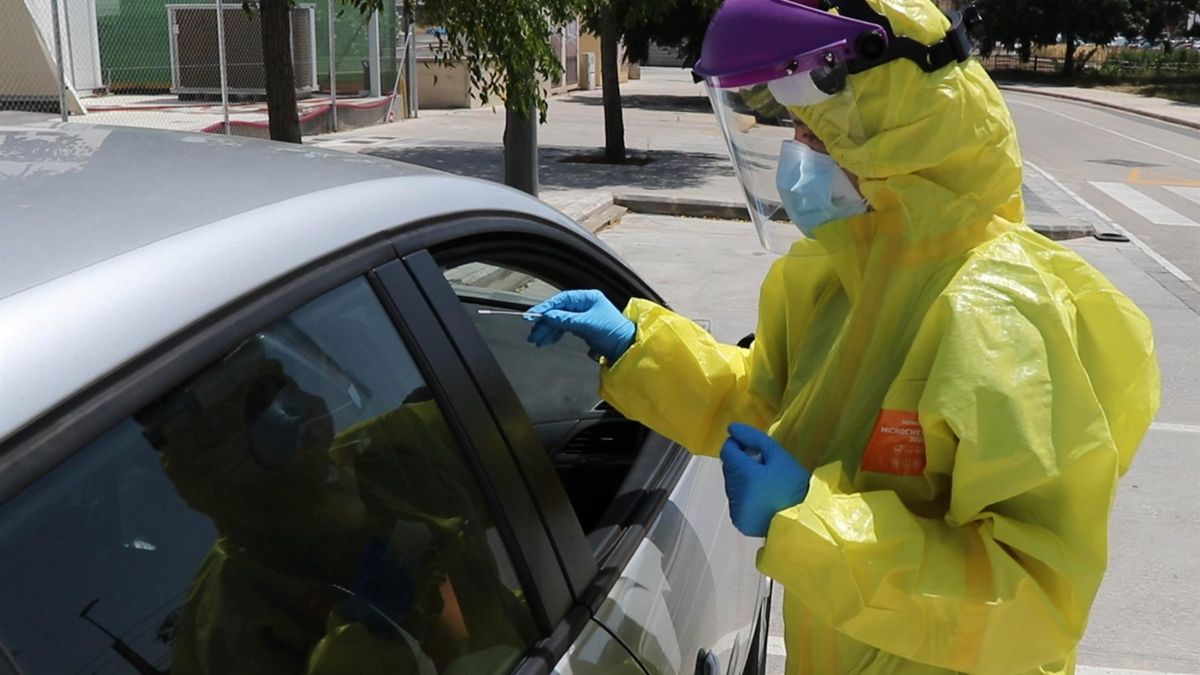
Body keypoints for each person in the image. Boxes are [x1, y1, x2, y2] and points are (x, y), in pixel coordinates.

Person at [525, 0, 1160, 672]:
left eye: (820, 139)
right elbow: (769, 410)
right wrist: (637, 347)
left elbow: (1030, 602)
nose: (800, 161)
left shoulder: (999, 316)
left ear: (900, 146)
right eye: (796, 132)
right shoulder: (842, 280)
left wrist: (811, 520)